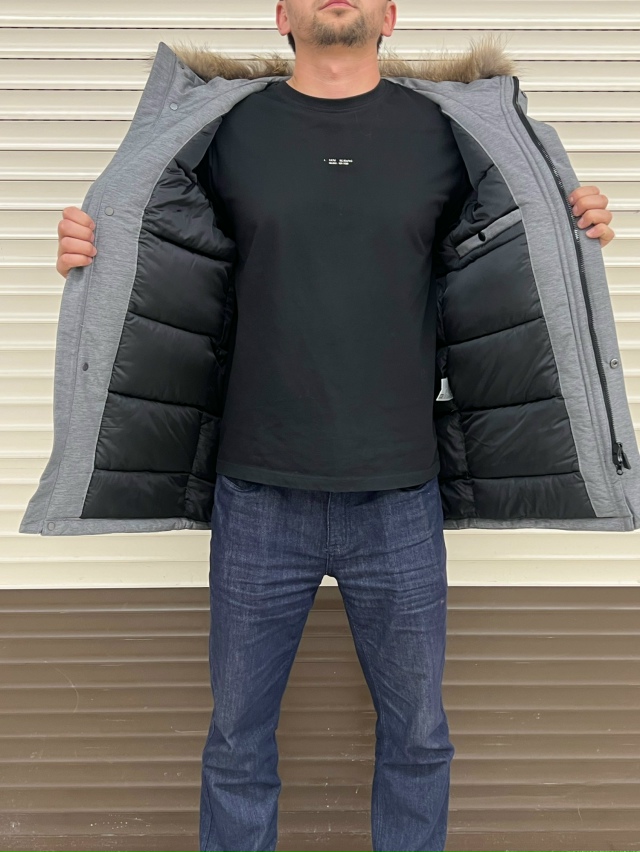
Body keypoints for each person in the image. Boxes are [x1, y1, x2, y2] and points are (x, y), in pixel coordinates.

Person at [55, 3, 615, 850]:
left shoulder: (453, 131)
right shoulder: (224, 129)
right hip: (257, 494)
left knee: (419, 740)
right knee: (237, 745)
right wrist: (92, 253)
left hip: (400, 496)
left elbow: (505, 252)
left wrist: (573, 229)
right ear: (282, 14)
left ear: (390, 14)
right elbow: (165, 254)